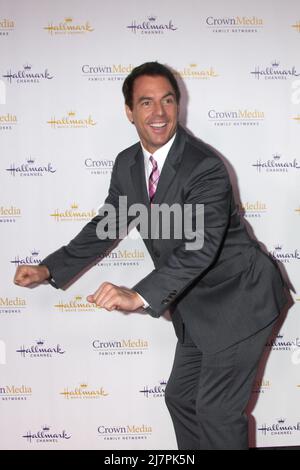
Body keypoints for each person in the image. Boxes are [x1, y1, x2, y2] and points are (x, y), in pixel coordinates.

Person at [14, 62, 288, 450]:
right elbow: (106, 226)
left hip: (241, 298)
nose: (158, 113)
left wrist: (137, 295)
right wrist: (48, 268)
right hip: (198, 306)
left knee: (216, 412)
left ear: (178, 104)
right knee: (181, 399)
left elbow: (200, 247)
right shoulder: (127, 165)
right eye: (146, 102)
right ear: (129, 111)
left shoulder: (204, 167)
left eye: (167, 100)